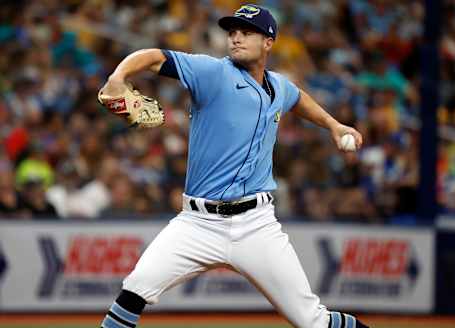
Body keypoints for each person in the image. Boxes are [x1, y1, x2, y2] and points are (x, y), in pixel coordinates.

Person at [98, 4, 367, 328]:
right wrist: (118, 76)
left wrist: (334, 125)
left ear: (269, 42)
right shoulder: (212, 73)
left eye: (247, 32)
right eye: (233, 31)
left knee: (312, 321)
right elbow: (154, 57)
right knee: (134, 290)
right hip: (197, 224)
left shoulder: (278, 86)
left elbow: (297, 98)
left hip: (257, 225)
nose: (236, 37)